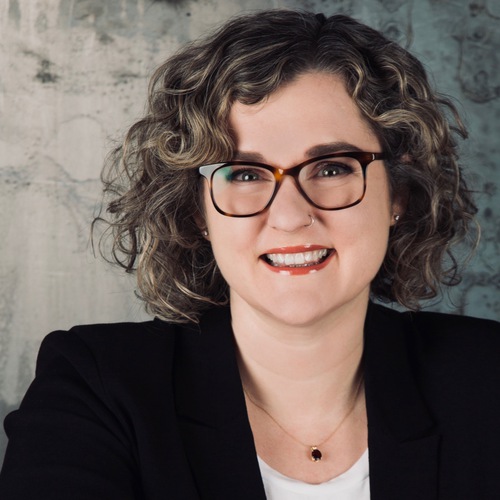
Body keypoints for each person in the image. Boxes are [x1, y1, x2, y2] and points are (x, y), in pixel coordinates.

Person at [0, 9, 499, 500]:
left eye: (330, 168)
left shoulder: (487, 378)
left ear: (398, 194)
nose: (289, 216)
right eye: (244, 174)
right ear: (198, 211)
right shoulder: (96, 388)